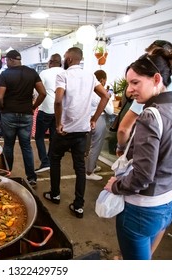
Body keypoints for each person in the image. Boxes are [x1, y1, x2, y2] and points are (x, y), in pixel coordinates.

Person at [104, 48, 172, 260]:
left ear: (156, 78)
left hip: (141, 210)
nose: (130, 90)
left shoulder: (151, 115)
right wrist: (170, 191)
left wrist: (115, 186)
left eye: (135, 82)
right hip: (167, 205)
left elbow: (142, 175)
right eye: (129, 83)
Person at [42, 47, 109, 218]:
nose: (64, 60)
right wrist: (94, 119)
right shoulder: (90, 76)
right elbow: (105, 97)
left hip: (64, 130)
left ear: (70, 59)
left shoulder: (63, 75)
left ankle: (55, 194)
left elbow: (58, 100)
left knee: (55, 160)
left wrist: (58, 124)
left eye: (65, 57)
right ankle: (78, 206)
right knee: (79, 167)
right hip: (82, 131)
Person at [117, 40, 172, 157]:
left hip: (150, 154)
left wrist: (121, 147)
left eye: (150, 58)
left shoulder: (151, 89)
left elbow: (124, 129)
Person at [0, 50, 46, 186]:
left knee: (8, 146)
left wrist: (2, 108)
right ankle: (31, 178)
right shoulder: (32, 73)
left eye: (7, 60)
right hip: (26, 114)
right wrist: (33, 107)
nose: (6, 63)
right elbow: (43, 93)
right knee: (26, 146)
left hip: (9, 114)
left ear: (11, 60)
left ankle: (7, 174)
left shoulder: (5, 74)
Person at [34, 53, 64, 173]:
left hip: (45, 109)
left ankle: (45, 161)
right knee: (53, 137)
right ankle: (51, 161)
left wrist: (35, 105)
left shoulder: (44, 73)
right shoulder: (64, 72)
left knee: (39, 136)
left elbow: (38, 92)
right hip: (59, 111)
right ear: (60, 62)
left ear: (50, 62)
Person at [85, 70, 114, 180]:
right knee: (96, 146)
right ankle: (89, 172)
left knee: (90, 146)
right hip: (98, 119)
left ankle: (92, 166)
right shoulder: (101, 94)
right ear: (102, 80)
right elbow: (110, 111)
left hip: (88, 119)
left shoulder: (89, 91)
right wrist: (109, 96)